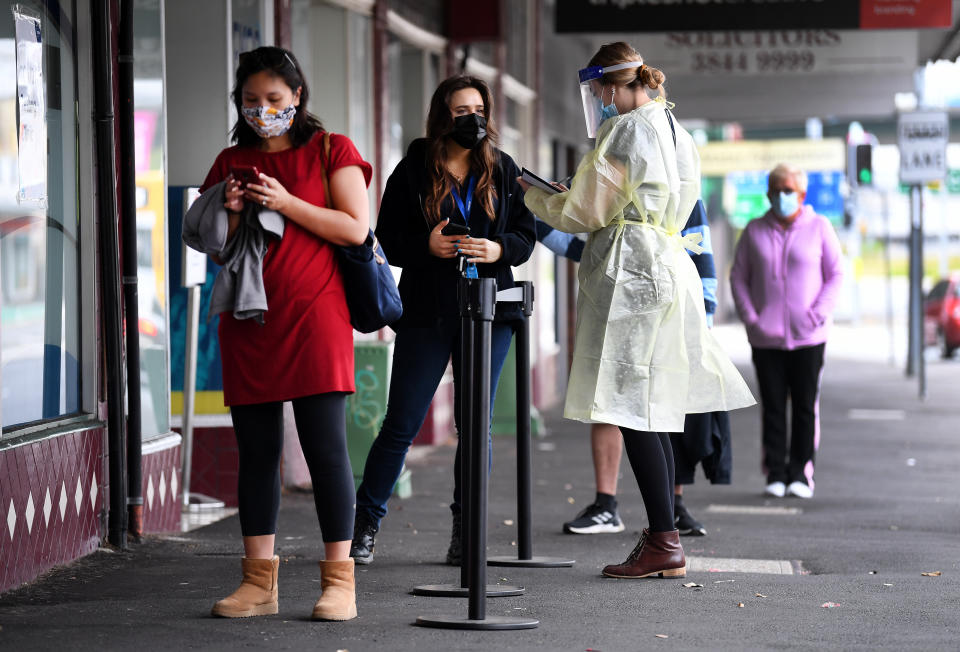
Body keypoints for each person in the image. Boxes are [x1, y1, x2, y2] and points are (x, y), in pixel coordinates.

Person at [519, 42, 754, 579]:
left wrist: (533, 198)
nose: (599, 100)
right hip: (668, 265)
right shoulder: (677, 130)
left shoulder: (625, 129)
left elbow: (584, 212)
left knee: (630, 408)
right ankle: (663, 533)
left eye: (600, 90)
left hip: (631, 272)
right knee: (651, 404)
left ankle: (663, 541)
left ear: (611, 84)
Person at [197, 46, 372, 621]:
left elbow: (353, 228)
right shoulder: (230, 160)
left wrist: (287, 202)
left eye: (274, 99)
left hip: (316, 316)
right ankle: (257, 583)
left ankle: (339, 582)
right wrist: (225, 206)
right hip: (249, 320)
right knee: (256, 453)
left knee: (326, 450)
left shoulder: (331, 149)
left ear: (297, 96)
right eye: (251, 101)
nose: (262, 110)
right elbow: (208, 239)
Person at [350, 75, 536, 566]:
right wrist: (425, 247)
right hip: (427, 311)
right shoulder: (413, 168)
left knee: (476, 425)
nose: (471, 118)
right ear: (441, 115)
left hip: (489, 309)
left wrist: (498, 248)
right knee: (402, 423)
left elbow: (525, 233)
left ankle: (466, 530)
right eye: (460, 110)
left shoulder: (502, 167)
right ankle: (365, 523)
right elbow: (384, 237)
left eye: (478, 109)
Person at [561, 199, 732, 538]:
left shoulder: (676, 180)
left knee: (666, 403)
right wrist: (536, 216)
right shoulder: (609, 182)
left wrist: (705, 318)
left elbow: (701, 248)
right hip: (615, 301)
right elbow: (585, 244)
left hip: (668, 304)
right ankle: (610, 505)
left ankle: (672, 510)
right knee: (608, 400)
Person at [730, 163, 843, 500]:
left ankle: (801, 474)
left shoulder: (820, 227)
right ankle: (776, 473)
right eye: (776, 190)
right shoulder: (753, 231)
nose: (782, 196)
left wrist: (817, 314)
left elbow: (836, 274)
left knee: (806, 406)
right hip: (766, 338)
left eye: (788, 190)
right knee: (774, 406)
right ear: (768, 194)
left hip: (809, 336)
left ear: (802, 194)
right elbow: (738, 277)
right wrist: (752, 318)